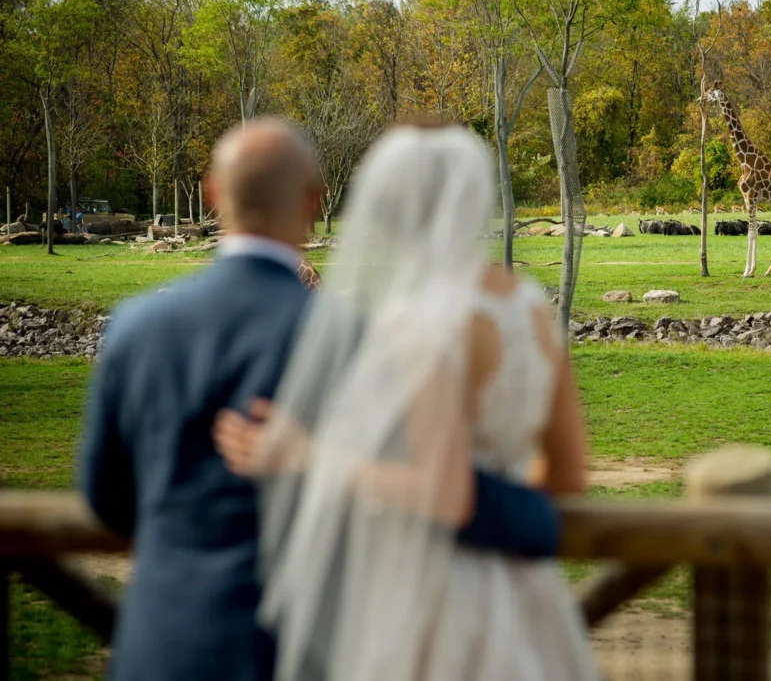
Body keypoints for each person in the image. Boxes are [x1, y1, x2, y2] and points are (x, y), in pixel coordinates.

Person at [77, 118, 562, 681]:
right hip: (304, 649)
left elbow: (106, 498)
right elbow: (435, 488)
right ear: (314, 201)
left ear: (212, 194)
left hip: (164, 645)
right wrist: (535, 518)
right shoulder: (356, 342)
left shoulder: (137, 327)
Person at [212, 123, 597, 681]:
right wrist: (502, 496)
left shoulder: (421, 323)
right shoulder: (532, 308)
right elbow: (567, 473)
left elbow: (444, 495)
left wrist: (308, 456)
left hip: (436, 593)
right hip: (526, 591)